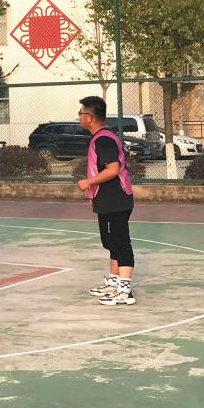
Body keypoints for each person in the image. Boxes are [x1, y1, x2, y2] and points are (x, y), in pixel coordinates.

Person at [76, 96, 137, 306]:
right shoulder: (100, 137)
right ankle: (114, 282)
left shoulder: (104, 139)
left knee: (121, 242)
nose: (79, 117)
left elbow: (113, 169)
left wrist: (88, 182)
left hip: (116, 198)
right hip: (106, 198)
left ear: (90, 117)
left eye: (81, 114)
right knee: (110, 241)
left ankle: (125, 291)